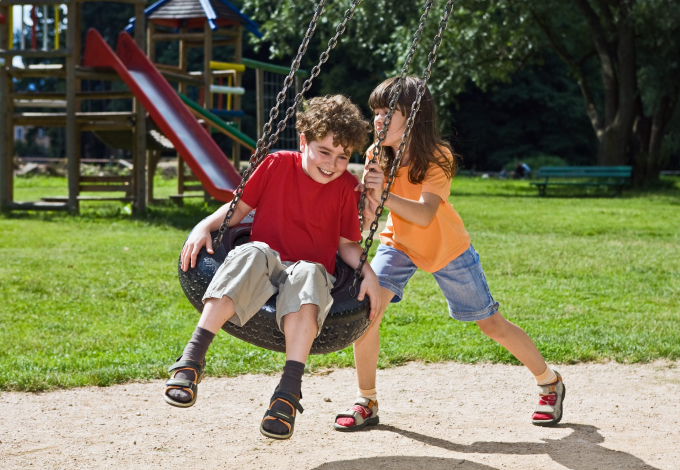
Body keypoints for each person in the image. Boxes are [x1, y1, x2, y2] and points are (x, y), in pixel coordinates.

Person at [333, 77, 565, 432]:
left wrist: (381, 196)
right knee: (368, 310)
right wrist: (364, 206)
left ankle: (549, 381)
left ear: (414, 116)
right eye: (375, 112)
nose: (377, 120)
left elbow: (425, 214)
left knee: (491, 324)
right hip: (399, 244)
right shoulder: (376, 154)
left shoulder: (437, 156)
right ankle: (367, 399)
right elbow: (372, 212)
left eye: (387, 112)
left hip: (447, 248)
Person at [163, 95, 381, 440]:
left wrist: (367, 271)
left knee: (309, 271)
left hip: (309, 273)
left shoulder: (344, 187)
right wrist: (204, 225)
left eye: (343, 157)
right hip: (265, 265)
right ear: (303, 142)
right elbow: (237, 209)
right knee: (251, 253)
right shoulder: (277, 163)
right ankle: (191, 360)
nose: (333, 163)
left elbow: (345, 244)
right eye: (324, 152)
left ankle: (288, 392)